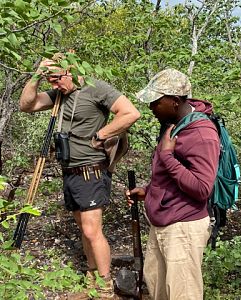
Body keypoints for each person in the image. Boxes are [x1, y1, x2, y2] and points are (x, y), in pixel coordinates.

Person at [19, 53, 140, 299]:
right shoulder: (58, 95)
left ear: (71, 71)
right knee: (84, 230)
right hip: (70, 171)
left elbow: (130, 113)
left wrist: (101, 135)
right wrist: (37, 75)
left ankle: (105, 285)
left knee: (92, 230)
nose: (53, 84)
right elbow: (26, 105)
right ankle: (92, 276)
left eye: (55, 78)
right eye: (49, 80)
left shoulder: (96, 89)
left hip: (91, 171)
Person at [126, 68, 220, 300]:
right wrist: (148, 192)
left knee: (182, 294)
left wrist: (167, 156)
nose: (151, 108)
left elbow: (202, 188)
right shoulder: (174, 126)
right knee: (158, 287)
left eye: (156, 102)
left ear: (175, 101)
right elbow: (174, 177)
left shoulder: (201, 134)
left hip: (183, 228)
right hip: (164, 223)